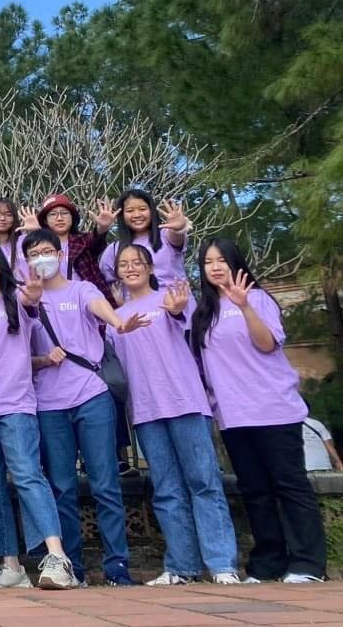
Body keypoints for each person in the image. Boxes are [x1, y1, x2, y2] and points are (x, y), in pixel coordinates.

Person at [191, 239, 328, 583]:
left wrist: (245, 306)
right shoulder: (203, 312)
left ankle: (307, 563)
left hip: (273, 409)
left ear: (235, 263)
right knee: (254, 490)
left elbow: (267, 344)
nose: (216, 267)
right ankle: (269, 562)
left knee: (289, 485)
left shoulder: (258, 298)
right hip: (234, 415)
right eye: (208, 262)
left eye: (222, 260)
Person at [108, 245, 241, 586]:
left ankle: (221, 563)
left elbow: (187, 326)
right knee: (166, 489)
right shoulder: (116, 319)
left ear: (150, 266)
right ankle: (182, 566)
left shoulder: (174, 299)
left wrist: (178, 310)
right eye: (124, 265)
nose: (131, 268)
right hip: (146, 411)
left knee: (204, 482)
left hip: (186, 403)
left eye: (137, 262)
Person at [22, 228, 146, 586]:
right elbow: (15, 359)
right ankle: (69, 565)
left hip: (91, 395)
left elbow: (102, 309)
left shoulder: (81, 289)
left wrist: (120, 322)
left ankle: (117, 566)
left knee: (105, 483)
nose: (41, 258)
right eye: (33, 254)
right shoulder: (24, 300)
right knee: (61, 486)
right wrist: (44, 359)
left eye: (47, 250)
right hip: (48, 403)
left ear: (60, 254)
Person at [0, 237, 75, 590]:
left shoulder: (19, 295)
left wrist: (35, 297)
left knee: (27, 475)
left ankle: (58, 557)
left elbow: (31, 305)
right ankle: (9, 564)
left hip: (16, 405)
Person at [99, 190, 190, 305]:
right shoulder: (114, 250)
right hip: (140, 315)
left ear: (151, 211)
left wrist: (178, 228)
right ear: (122, 215)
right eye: (130, 211)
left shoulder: (166, 236)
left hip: (179, 308)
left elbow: (177, 237)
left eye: (142, 209)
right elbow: (105, 285)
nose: (137, 215)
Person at [24, 194, 117, 302]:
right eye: (53, 214)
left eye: (64, 213)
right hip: (50, 302)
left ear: (72, 217)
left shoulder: (83, 241)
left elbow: (96, 242)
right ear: (45, 220)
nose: (59, 218)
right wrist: (37, 233)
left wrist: (102, 228)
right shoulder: (38, 246)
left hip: (87, 303)